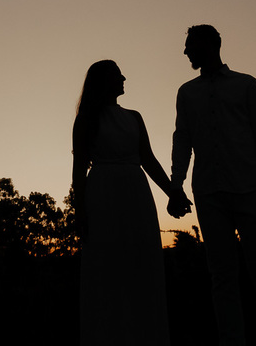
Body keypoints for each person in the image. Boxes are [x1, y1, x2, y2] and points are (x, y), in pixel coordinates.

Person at [168, 25, 256, 346]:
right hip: (209, 193)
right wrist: (176, 184)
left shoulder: (246, 85)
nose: (185, 52)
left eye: (189, 46)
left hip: (251, 189)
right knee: (222, 279)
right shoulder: (187, 93)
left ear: (211, 45)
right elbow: (182, 140)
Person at [73, 60, 179, 345]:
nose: (123, 77)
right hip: (102, 195)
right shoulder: (86, 120)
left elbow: (148, 159)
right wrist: (80, 211)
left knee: (141, 263)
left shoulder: (134, 116)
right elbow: (78, 169)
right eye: (116, 74)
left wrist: (173, 191)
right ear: (102, 81)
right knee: (106, 268)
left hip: (136, 194)